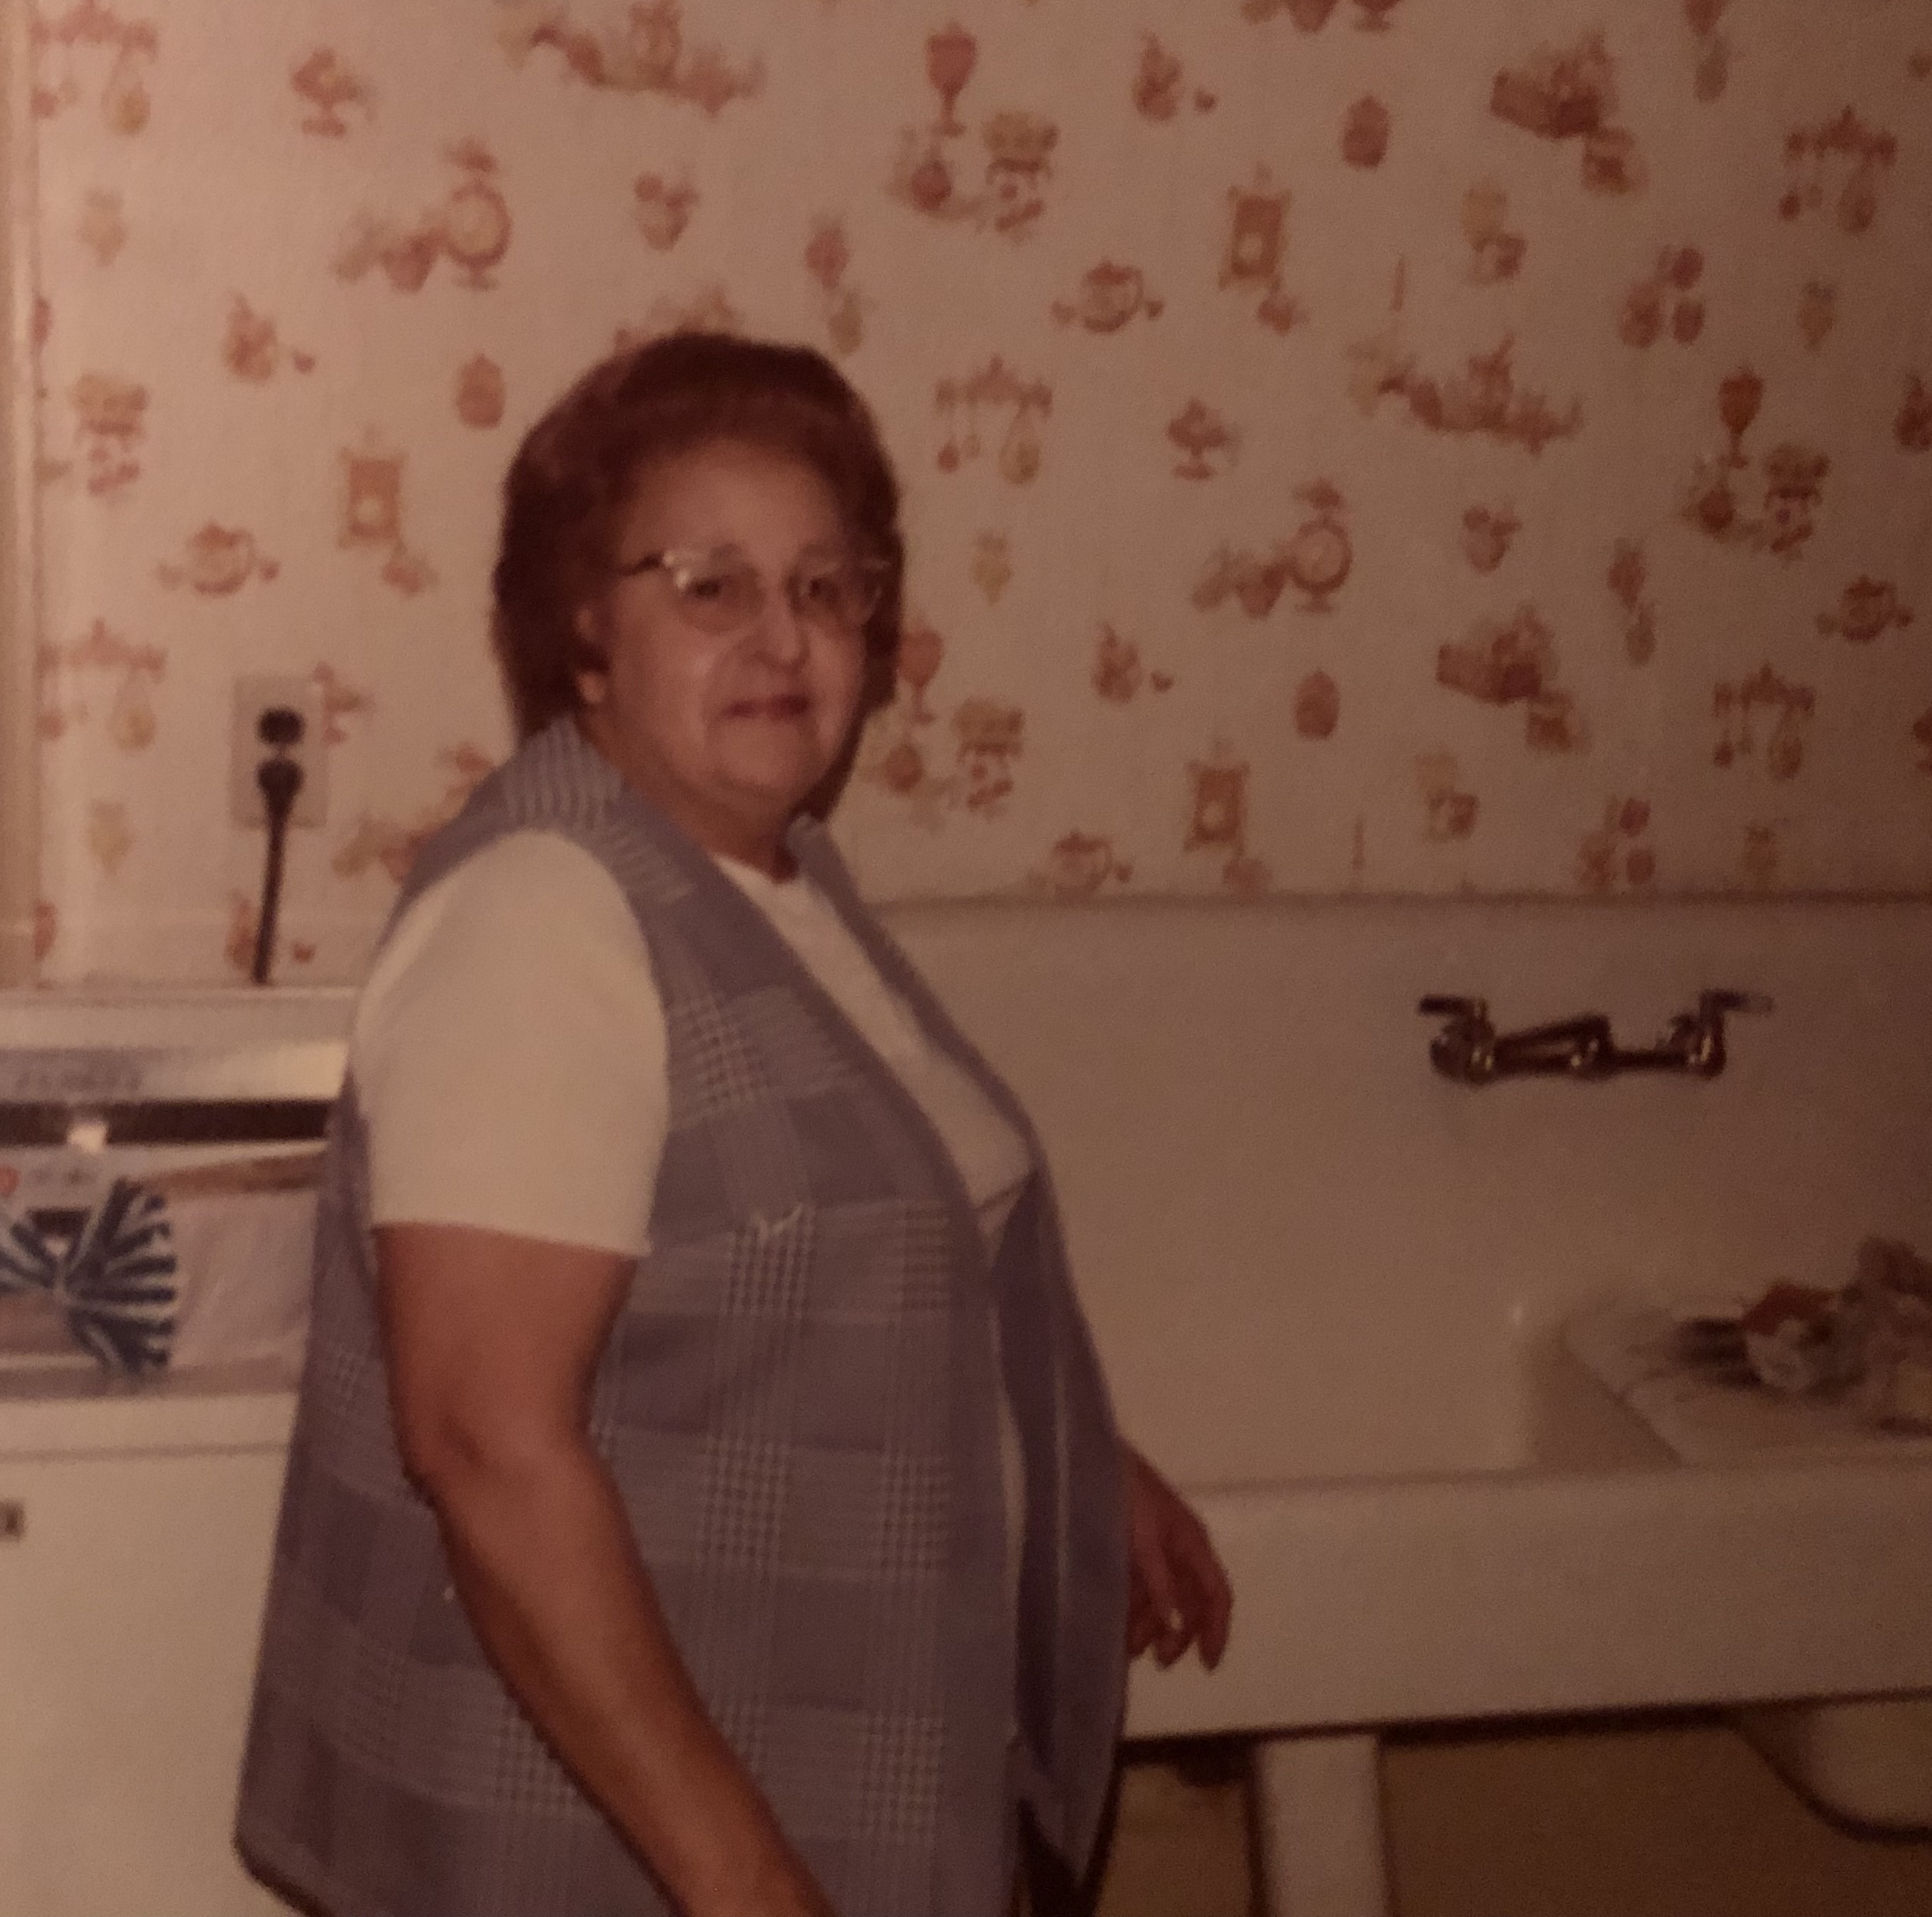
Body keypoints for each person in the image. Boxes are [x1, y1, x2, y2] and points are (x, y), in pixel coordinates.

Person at [236, 332, 1231, 1917]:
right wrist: (748, 1887)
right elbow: (489, 1447)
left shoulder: (767, 874)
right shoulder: (544, 919)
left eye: (828, 587)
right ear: (583, 634)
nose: (787, 637)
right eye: (710, 586)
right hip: (635, 1853)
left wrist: (1055, 1454)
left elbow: (792, 1252)